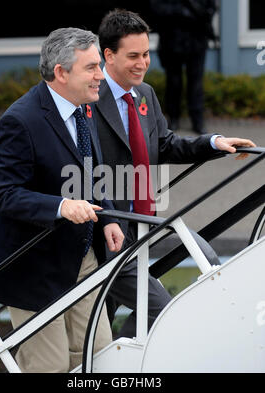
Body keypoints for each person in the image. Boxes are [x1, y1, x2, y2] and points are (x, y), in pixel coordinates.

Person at [95, 8, 256, 338]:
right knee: (153, 310)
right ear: (108, 55)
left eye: (146, 54)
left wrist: (215, 143)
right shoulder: (88, 99)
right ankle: (119, 360)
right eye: (133, 56)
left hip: (145, 221)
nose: (143, 63)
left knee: (209, 261)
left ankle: (119, 354)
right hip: (108, 230)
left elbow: (165, 144)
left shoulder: (145, 94)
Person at [0, 27, 124, 373]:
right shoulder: (20, 120)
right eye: (91, 67)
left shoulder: (84, 107)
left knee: (101, 355)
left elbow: (92, 171)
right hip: (34, 266)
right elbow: (5, 195)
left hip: (82, 256)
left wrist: (108, 219)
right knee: (51, 366)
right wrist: (61, 206)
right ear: (61, 73)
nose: (100, 75)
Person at [150, 0, 218, 133]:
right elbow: (156, 8)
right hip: (172, 39)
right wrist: (179, 12)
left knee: (196, 82)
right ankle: (173, 117)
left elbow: (211, 8)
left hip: (197, 39)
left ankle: (197, 120)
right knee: (173, 82)